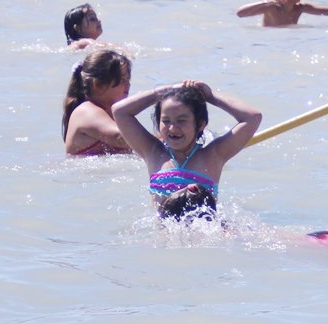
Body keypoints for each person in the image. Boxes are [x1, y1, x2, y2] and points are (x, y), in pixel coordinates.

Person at [113, 81, 263, 220]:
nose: (172, 128)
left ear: (200, 125)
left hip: (207, 237)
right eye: (166, 121)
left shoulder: (213, 155)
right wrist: (163, 92)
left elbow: (252, 117)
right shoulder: (152, 152)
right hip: (166, 240)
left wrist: (211, 96)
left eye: (182, 121)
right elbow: (119, 111)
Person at [62, 49, 133, 156]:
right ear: (98, 85)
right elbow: (122, 138)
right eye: (122, 80)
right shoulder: (85, 111)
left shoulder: (112, 113)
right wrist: (152, 96)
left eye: (128, 79)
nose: (128, 84)